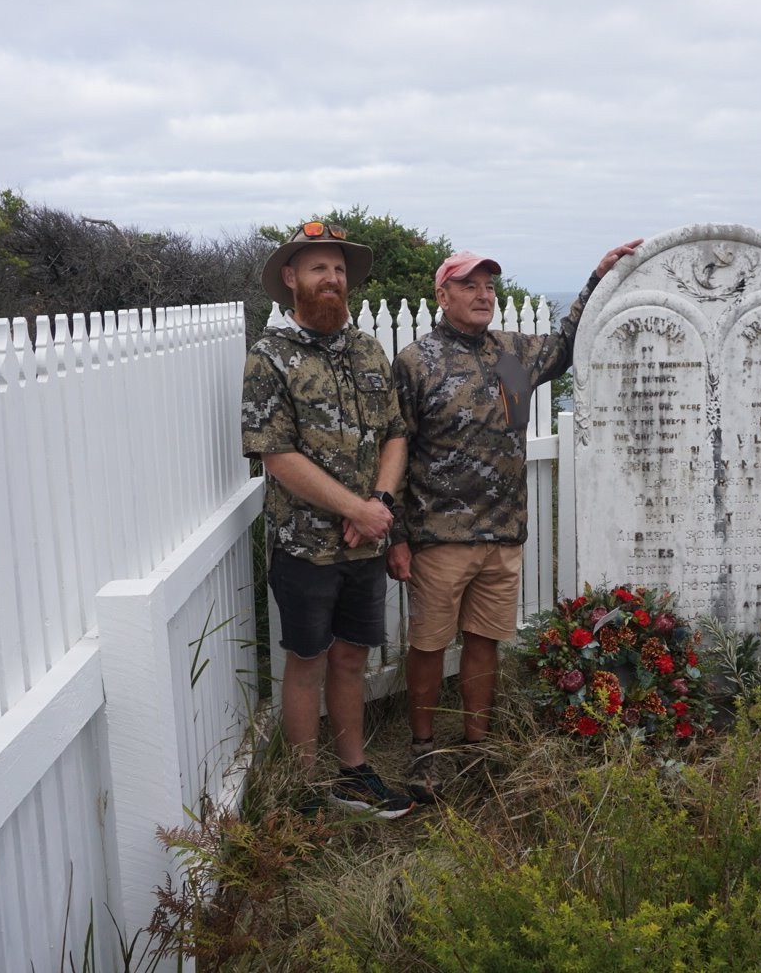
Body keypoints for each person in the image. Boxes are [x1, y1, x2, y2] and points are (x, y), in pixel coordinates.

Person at [390, 238, 642, 801]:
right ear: (443, 293)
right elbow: (395, 449)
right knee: (429, 645)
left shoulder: (510, 353)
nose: (483, 296)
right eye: (469, 285)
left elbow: (570, 344)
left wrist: (598, 276)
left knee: (485, 643)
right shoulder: (416, 361)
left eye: (489, 286)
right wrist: (398, 536)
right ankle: (424, 751)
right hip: (439, 536)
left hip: (503, 533)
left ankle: (477, 748)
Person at [241, 221, 413, 818]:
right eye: (318, 268)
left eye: (339, 269)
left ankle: (353, 774)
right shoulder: (269, 358)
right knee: (306, 663)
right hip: (306, 546)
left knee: (351, 658)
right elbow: (276, 454)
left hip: (365, 543)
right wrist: (356, 510)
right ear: (290, 279)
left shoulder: (368, 350)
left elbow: (394, 433)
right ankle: (305, 790)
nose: (332, 278)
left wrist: (382, 508)